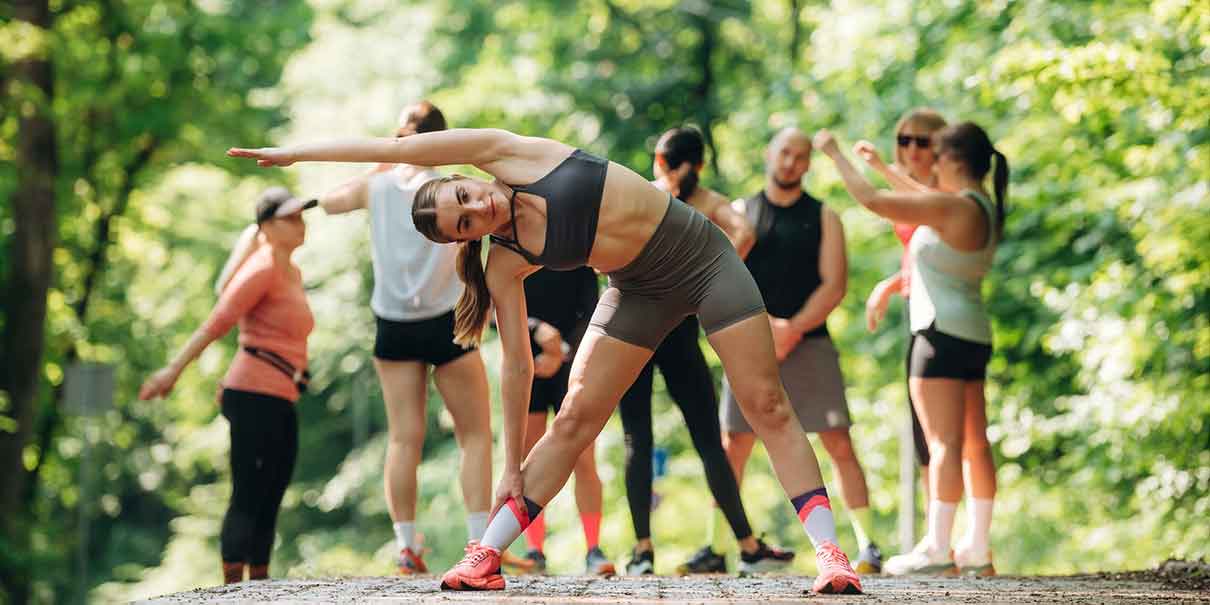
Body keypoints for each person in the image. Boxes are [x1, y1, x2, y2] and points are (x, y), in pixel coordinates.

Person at [228, 127, 865, 595]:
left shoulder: (512, 155)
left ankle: (832, 556)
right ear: (464, 241)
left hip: (704, 262)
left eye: (465, 199)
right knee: (572, 421)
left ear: (468, 178)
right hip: (637, 292)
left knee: (766, 405)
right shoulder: (505, 261)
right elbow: (517, 367)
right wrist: (509, 463)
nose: (476, 212)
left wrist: (299, 155)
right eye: (462, 225)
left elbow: (400, 152)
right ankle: (485, 556)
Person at [316, 101, 504, 575]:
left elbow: (328, 201)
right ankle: (479, 542)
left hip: (394, 322)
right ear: (441, 138)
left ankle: (406, 546)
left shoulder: (375, 186)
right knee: (475, 435)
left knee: (404, 439)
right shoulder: (449, 187)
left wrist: (382, 161)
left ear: (399, 135)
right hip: (449, 320)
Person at [815, 122, 1007, 576]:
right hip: (974, 334)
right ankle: (975, 545)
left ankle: (938, 547)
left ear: (951, 161)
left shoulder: (953, 206)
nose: (930, 165)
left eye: (936, 157)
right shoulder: (981, 206)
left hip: (938, 335)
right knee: (975, 443)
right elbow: (921, 198)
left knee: (944, 444)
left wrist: (836, 155)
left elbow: (876, 202)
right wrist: (881, 165)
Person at [618, 127, 793, 576]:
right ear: (700, 165)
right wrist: (703, 279)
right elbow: (745, 230)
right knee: (707, 440)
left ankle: (641, 550)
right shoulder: (712, 201)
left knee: (638, 437)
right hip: (678, 328)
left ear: (659, 158)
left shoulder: (642, 195)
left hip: (632, 324)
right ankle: (748, 545)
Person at [718, 127, 884, 574]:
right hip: (750, 344)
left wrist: (791, 328)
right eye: (785, 152)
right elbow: (723, 277)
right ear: (769, 154)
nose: (791, 162)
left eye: (800, 155)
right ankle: (721, 545)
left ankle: (868, 545)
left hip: (810, 343)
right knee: (733, 445)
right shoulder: (740, 211)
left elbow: (835, 284)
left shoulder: (825, 216)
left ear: (809, 163)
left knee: (838, 442)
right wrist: (766, 327)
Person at [139, 187, 317, 584]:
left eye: (301, 215)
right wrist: (172, 372)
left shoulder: (293, 272)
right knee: (249, 490)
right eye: (290, 217)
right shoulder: (261, 270)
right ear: (267, 227)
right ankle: (234, 586)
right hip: (252, 393)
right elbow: (215, 324)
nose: (300, 223)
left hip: (282, 394)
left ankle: (261, 582)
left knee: (274, 489)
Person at [859, 109, 949, 509]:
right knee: (921, 427)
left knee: (945, 429)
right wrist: (890, 285)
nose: (911, 149)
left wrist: (876, 166)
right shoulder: (908, 189)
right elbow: (917, 256)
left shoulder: (946, 190)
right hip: (918, 307)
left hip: (944, 311)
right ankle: (938, 532)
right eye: (904, 140)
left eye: (921, 141)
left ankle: (958, 536)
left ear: (939, 148)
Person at [519, 267, 615, 576]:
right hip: (526, 362)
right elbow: (494, 309)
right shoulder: (511, 240)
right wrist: (535, 331)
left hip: (572, 364)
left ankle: (593, 549)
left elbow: (594, 310)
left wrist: (562, 352)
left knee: (584, 460)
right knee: (527, 460)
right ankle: (533, 551)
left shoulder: (575, 242)